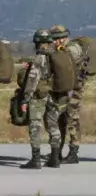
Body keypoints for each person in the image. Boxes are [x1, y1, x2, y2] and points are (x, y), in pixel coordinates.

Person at [19, 28, 64, 169]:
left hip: (39, 95)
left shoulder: (40, 56)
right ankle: (55, 158)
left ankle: (36, 159)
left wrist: (25, 99)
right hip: (55, 95)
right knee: (53, 125)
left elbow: (33, 80)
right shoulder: (58, 54)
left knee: (35, 125)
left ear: (37, 42)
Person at [50, 24, 84, 164]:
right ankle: (57, 151)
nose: (54, 42)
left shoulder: (72, 49)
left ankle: (73, 152)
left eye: (55, 39)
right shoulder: (63, 48)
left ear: (61, 38)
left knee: (72, 119)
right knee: (61, 120)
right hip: (65, 88)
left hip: (74, 90)